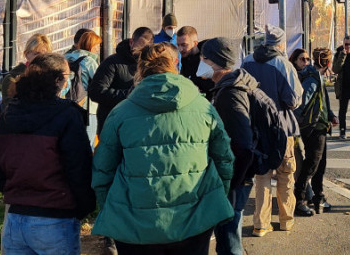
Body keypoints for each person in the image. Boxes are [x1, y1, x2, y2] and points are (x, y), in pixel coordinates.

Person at [92, 42, 233, 254]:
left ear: (140, 68)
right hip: (194, 218)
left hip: (133, 222)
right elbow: (224, 159)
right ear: (175, 64)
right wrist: (214, 199)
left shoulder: (120, 112)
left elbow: (103, 170)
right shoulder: (203, 107)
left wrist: (110, 209)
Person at [0, 53, 96, 255]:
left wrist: (17, 189)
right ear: (56, 80)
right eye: (67, 77)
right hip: (55, 217)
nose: (68, 82)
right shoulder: (67, 114)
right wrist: (82, 205)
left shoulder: (9, 113)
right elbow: (79, 168)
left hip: (16, 217)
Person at [241, 25, 301, 236]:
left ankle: (260, 224)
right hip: (282, 127)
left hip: (256, 128)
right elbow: (293, 100)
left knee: (262, 175)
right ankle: (286, 220)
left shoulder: (247, 61)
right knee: (285, 174)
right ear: (281, 44)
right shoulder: (283, 64)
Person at [204, 37, 258, 255]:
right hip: (236, 175)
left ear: (215, 61)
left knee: (229, 240)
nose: (201, 61)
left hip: (235, 178)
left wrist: (233, 181)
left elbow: (243, 144)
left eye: (204, 58)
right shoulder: (232, 85)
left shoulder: (231, 92)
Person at [290, 48, 336, 217]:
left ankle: (318, 197)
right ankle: (300, 200)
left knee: (319, 164)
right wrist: (294, 124)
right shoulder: (313, 79)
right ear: (329, 63)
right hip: (313, 127)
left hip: (320, 126)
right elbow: (301, 102)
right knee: (312, 165)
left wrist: (331, 115)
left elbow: (324, 100)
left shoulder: (316, 77)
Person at [88, 26, 153, 138]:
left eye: (145, 49)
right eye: (140, 48)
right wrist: (130, 94)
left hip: (137, 126)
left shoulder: (149, 65)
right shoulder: (112, 62)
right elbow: (96, 92)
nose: (141, 53)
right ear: (132, 42)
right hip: (112, 124)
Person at [2, 34, 52, 100]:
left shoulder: (51, 77)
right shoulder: (11, 79)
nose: (42, 58)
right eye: (37, 54)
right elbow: (8, 107)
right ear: (27, 54)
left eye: (46, 55)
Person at [63, 29, 102, 107]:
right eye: (97, 45)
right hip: (85, 104)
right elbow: (100, 82)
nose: (98, 49)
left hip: (65, 102)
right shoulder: (89, 61)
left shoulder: (65, 57)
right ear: (90, 45)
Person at [178, 25, 214, 98]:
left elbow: (210, 89)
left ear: (195, 43)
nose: (180, 49)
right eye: (178, 45)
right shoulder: (185, 59)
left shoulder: (207, 61)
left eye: (184, 45)